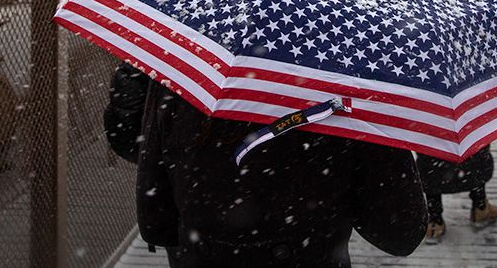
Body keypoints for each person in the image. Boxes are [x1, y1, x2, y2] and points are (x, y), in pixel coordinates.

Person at [105, 64, 428, 267]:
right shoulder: (347, 79)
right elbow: (400, 231)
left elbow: (130, 141)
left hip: (199, 252)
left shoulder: (183, 59)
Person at [416, 0, 497, 243]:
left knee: (430, 139)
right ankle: (479, 205)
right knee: (474, 135)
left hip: (430, 73)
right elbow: (494, 24)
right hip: (472, 73)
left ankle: (433, 218)